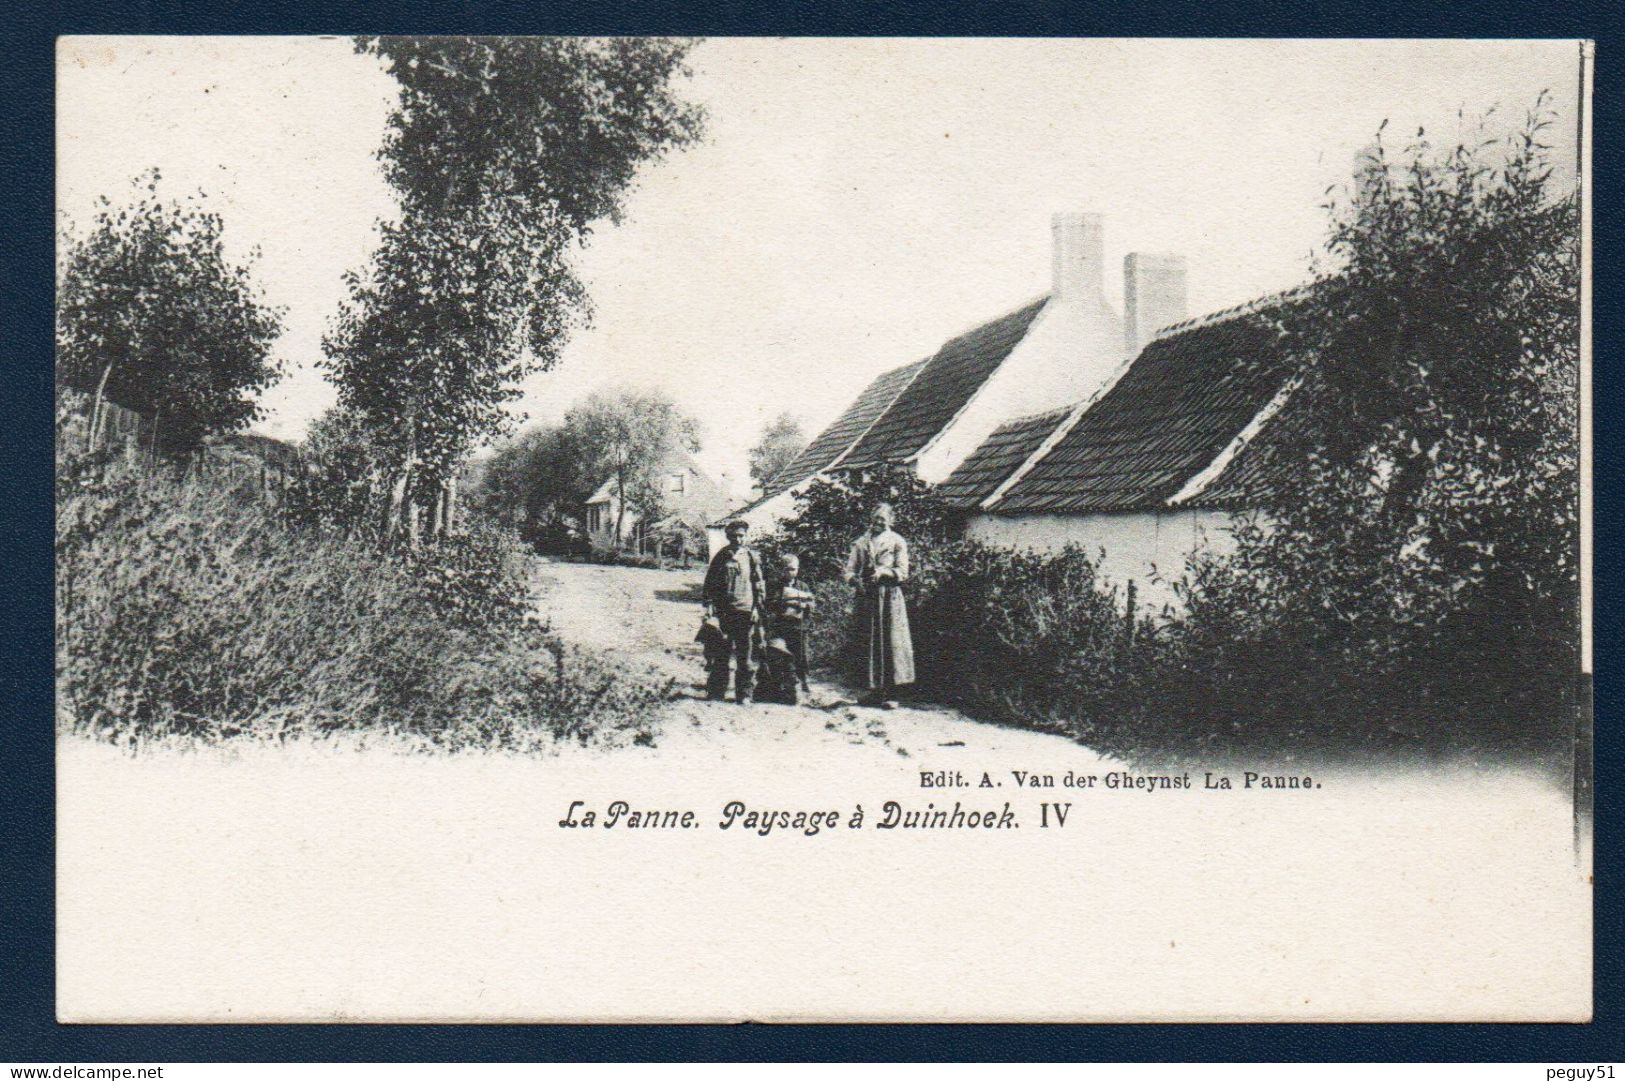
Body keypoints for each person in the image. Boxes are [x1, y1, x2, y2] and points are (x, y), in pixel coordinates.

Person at [843, 503, 915, 708]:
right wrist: (854, 580)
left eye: (883, 519)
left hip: (890, 597)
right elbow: (849, 569)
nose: (878, 522)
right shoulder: (861, 542)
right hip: (867, 597)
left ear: (891, 520)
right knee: (869, 642)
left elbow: (903, 571)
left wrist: (884, 572)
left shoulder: (897, 541)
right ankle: (874, 692)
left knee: (891, 642)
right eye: (875, 518)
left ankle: (892, 694)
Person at [702, 519, 766, 704]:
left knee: (744, 657)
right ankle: (716, 693)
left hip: (745, 612)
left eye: (741, 535)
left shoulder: (752, 558)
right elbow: (710, 584)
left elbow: (759, 585)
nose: (738, 539)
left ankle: (744, 694)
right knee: (721, 653)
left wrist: (756, 608)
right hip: (724, 612)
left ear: (746, 536)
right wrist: (709, 605)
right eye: (734, 536)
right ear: (728, 536)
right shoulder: (721, 557)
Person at [767, 553, 816, 696]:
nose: (790, 572)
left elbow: (811, 603)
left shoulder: (803, 586)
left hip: (799, 627)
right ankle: (780, 684)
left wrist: (804, 604)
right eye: (787, 569)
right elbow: (771, 603)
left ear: (798, 569)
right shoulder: (775, 585)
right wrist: (786, 602)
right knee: (780, 654)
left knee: (801, 656)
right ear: (782, 570)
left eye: (793, 569)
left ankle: (804, 682)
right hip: (780, 627)